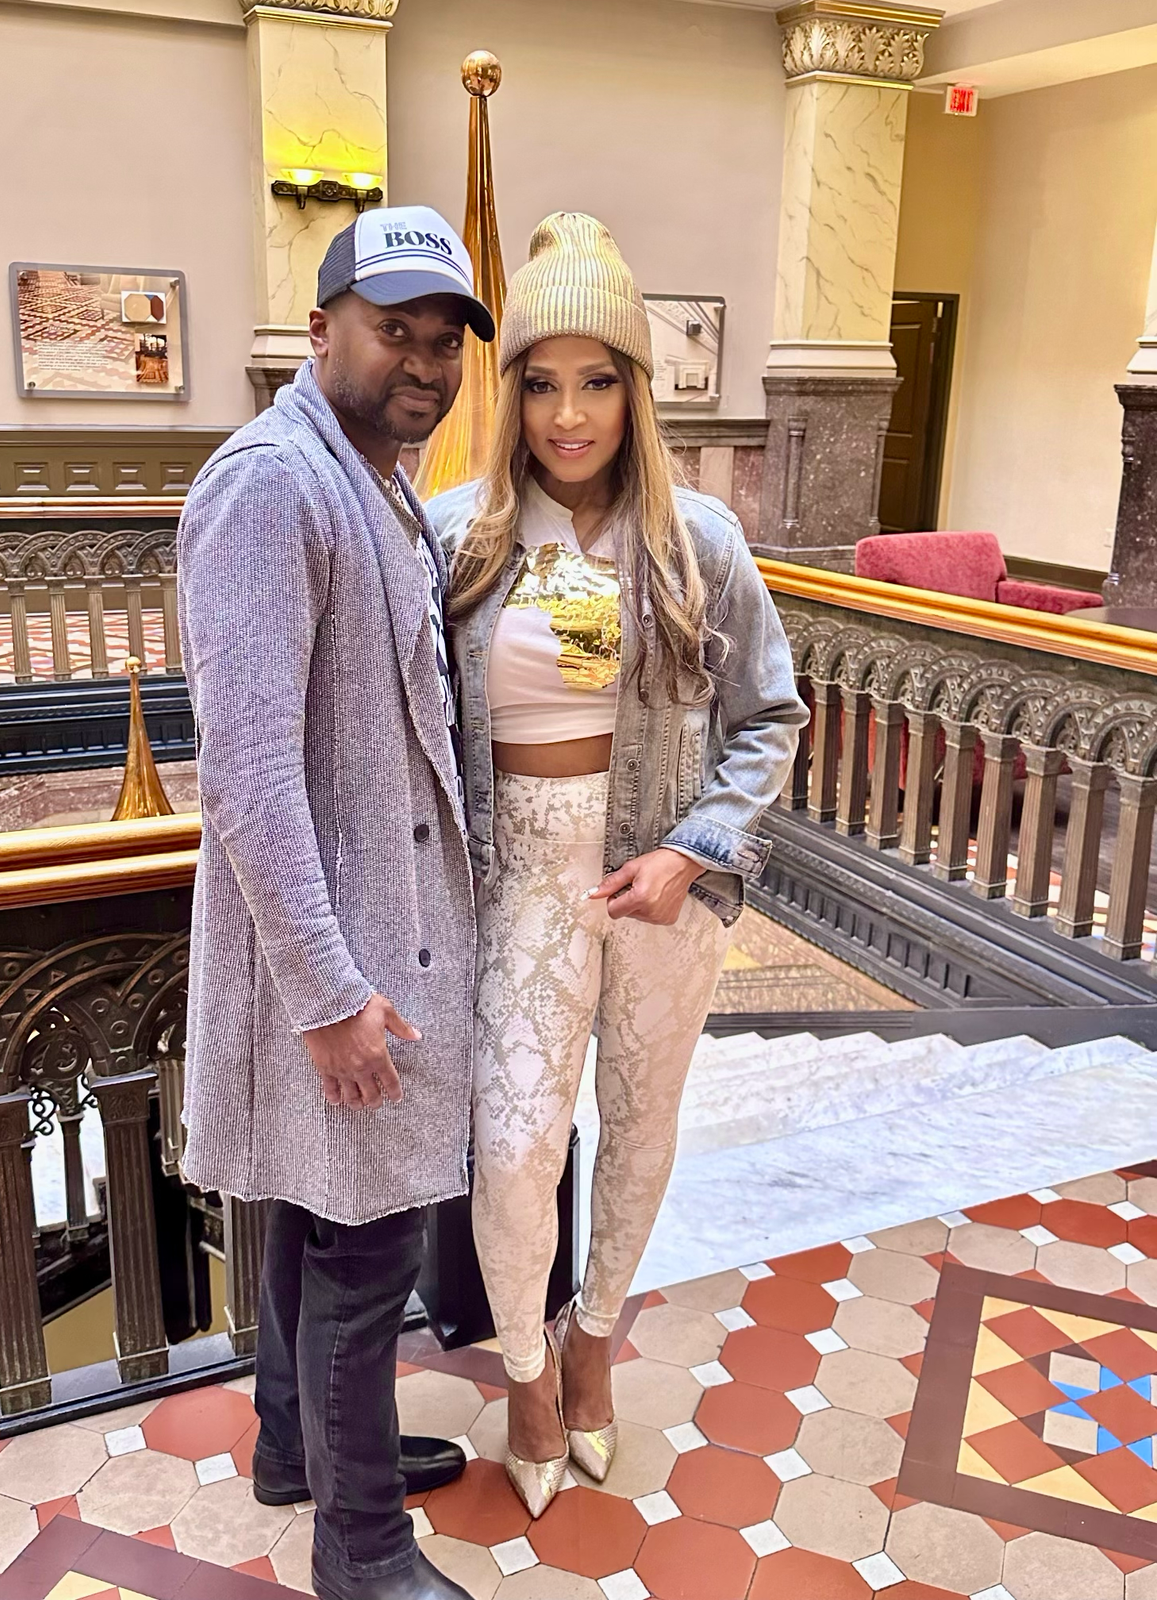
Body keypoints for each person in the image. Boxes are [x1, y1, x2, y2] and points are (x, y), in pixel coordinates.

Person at [428, 212, 808, 1517]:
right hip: (517, 889)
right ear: (512, 393)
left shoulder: (697, 540)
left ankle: (595, 1341)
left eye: (597, 381)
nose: (569, 414)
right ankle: (526, 1370)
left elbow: (769, 716)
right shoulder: (457, 539)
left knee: (642, 1132)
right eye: (540, 382)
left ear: (637, 388)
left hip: (656, 891)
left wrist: (693, 854)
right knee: (513, 1146)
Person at [178, 206, 495, 1600]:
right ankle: (361, 1549)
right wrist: (324, 994)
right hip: (347, 965)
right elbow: (246, 776)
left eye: (445, 341)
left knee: (319, 1219)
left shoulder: (370, 475)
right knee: (369, 1254)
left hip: (381, 942)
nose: (423, 363)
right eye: (393, 331)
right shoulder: (271, 487)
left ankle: (294, 1446)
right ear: (319, 331)